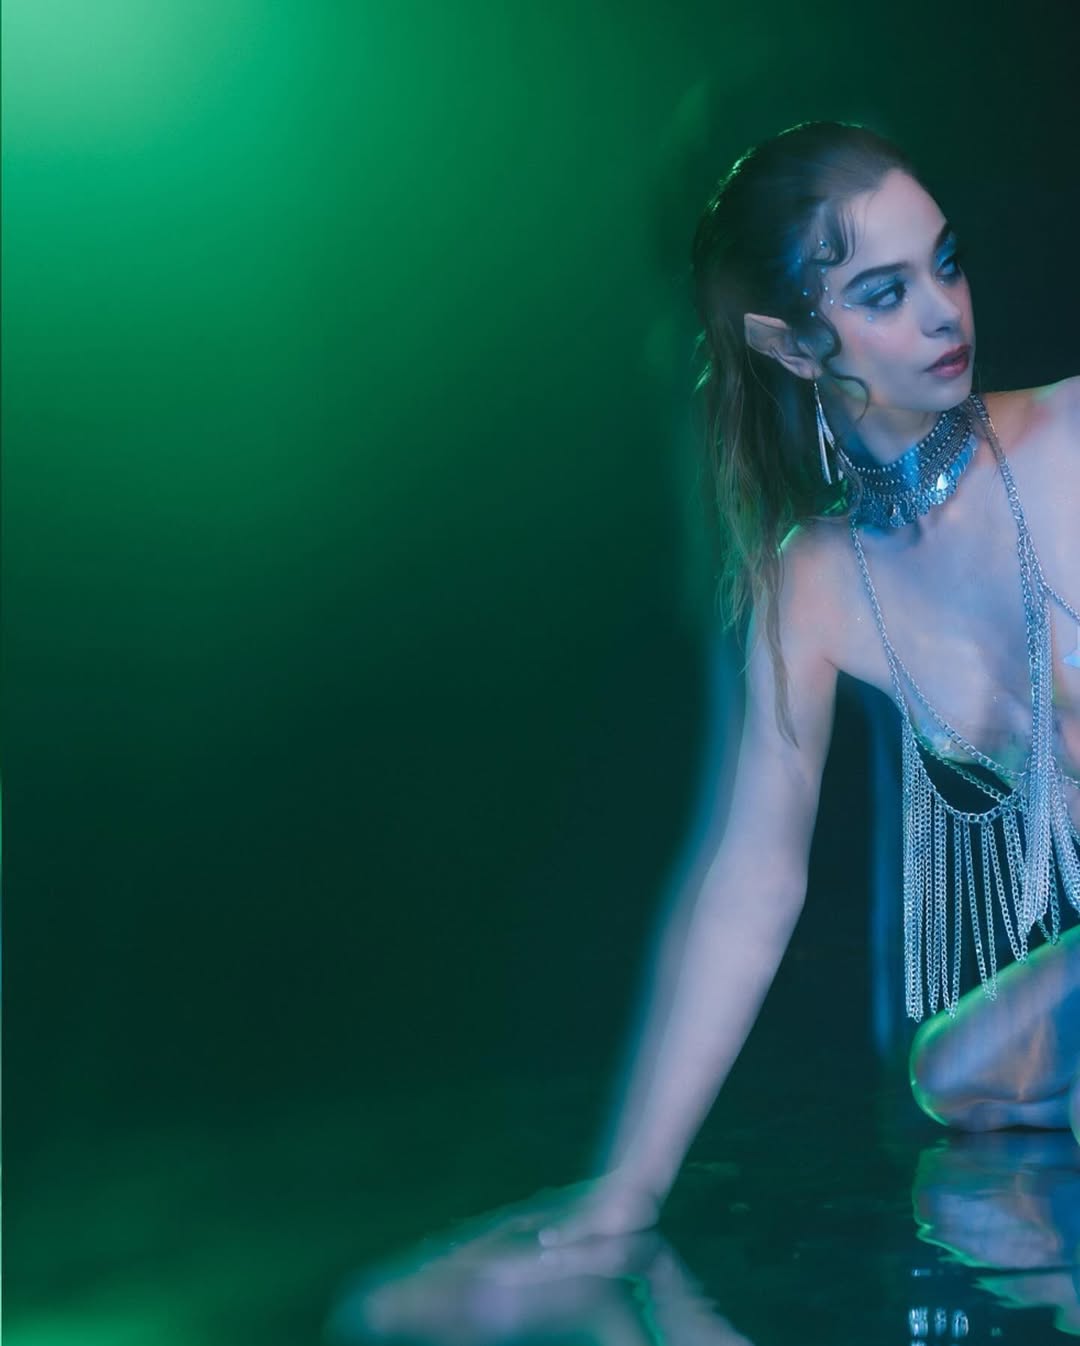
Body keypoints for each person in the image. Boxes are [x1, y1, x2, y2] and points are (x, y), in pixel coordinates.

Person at [346, 122, 1080, 1324]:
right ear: (790, 342)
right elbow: (747, 880)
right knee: (958, 1074)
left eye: (945, 263)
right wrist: (621, 1200)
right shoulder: (816, 581)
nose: (944, 311)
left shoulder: (1068, 442)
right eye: (885, 292)